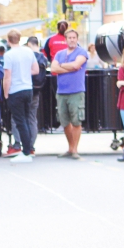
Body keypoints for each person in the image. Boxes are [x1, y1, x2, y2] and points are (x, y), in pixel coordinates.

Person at [2, 30, 41, 164]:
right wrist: (24, 72)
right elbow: (36, 70)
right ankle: (29, 148)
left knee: (20, 121)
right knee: (27, 118)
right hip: (28, 88)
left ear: (8, 40)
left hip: (16, 90)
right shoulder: (28, 51)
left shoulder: (8, 55)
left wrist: (5, 93)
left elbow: (7, 77)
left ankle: (26, 151)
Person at [51, 29, 88, 159]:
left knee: (76, 120)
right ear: (65, 40)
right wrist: (68, 66)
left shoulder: (82, 52)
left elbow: (77, 65)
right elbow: (53, 68)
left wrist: (62, 67)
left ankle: (75, 150)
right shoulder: (59, 54)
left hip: (76, 91)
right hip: (61, 92)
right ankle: (70, 147)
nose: (72, 40)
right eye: (69, 38)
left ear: (77, 39)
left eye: (74, 37)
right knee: (65, 121)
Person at [27, 36, 49, 150]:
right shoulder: (43, 58)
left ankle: (20, 144)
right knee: (32, 118)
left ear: (29, 44)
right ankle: (31, 146)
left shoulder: (28, 56)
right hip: (37, 89)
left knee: (19, 118)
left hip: (26, 88)